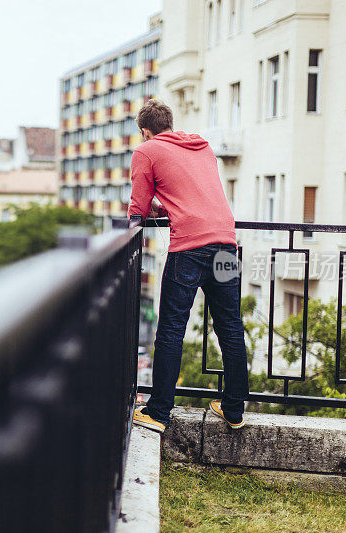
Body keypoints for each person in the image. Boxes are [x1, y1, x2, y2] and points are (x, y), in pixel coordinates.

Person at [128, 99, 249, 433]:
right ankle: (234, 409)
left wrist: (150, 211)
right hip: (226, 244)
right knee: (231, 326)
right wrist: (167, 207)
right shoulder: (202, 146)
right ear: (170, 122)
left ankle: (158, 412)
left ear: (144, 131)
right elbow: (193, 194)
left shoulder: (147, 151)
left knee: (170, 329)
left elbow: (136, 209)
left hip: (190, 249)